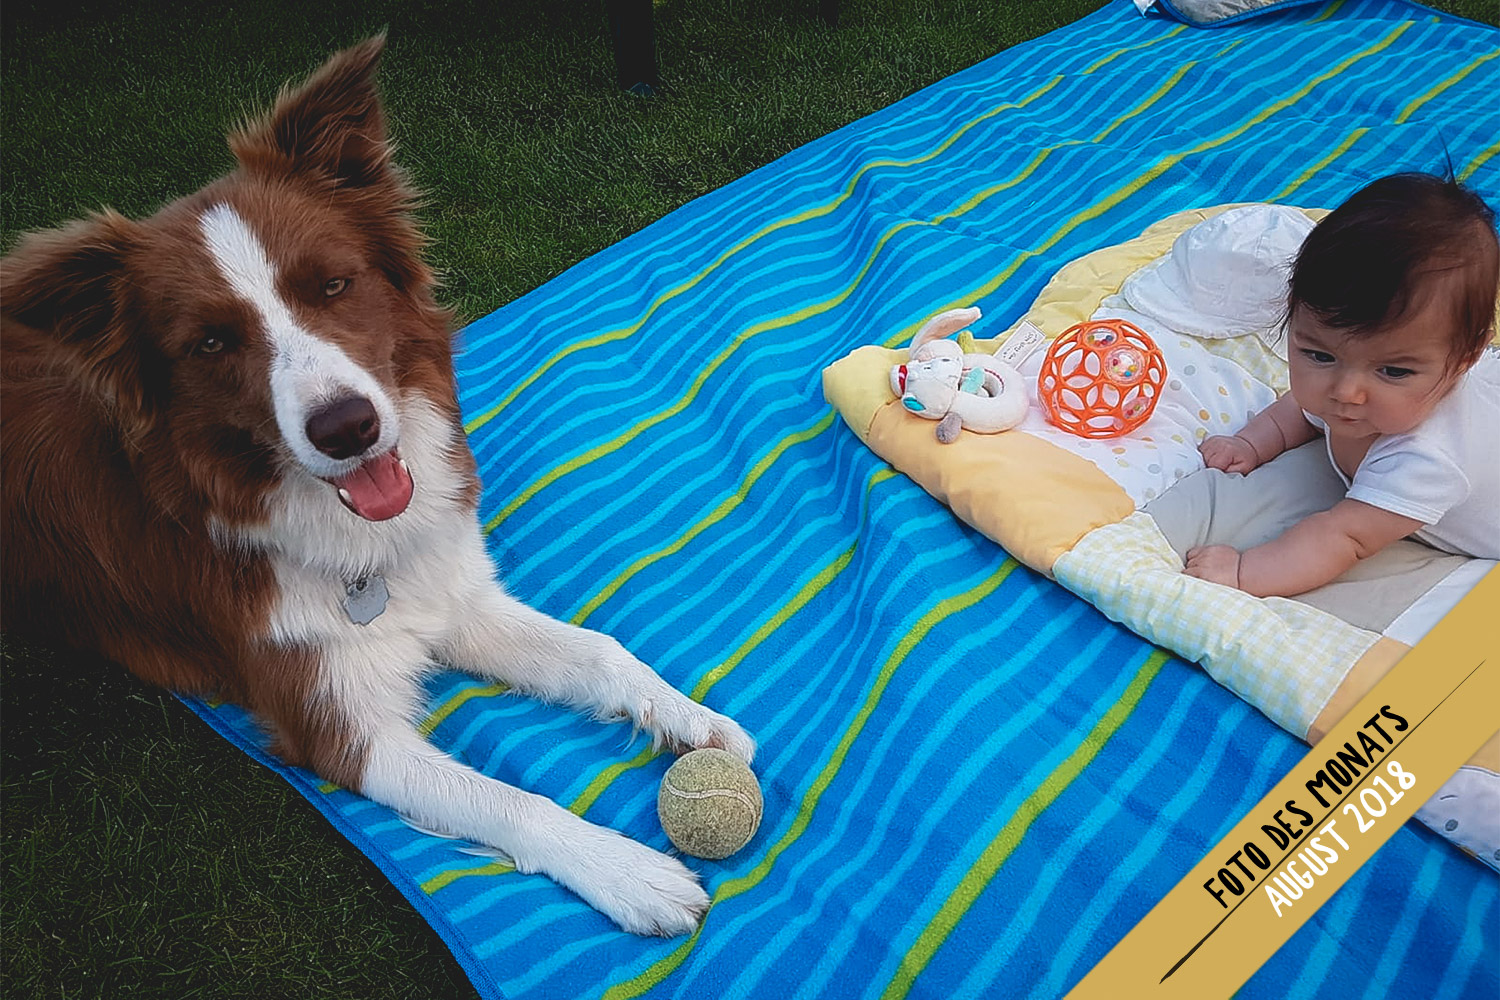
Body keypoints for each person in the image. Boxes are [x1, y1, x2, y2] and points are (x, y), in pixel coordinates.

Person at [1184, 172, 1500, 597]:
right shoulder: (1356, 389)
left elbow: (1343, 537)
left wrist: (1243, 572)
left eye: (1393, 371)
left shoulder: (1428, 458)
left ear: (1464, 360)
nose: (1345, 391)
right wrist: (1250, 444)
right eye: (1319, 355)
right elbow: (1298, 410)